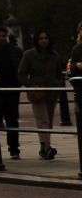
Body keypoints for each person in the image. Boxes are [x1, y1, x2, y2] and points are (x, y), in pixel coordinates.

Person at [19, 31, 63, 161]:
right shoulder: (29, 55)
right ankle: (47, 147)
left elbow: (59, 73)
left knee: (48, 120)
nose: (44, 41)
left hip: (52, 91)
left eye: (46, 38)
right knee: (42, 120)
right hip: (37, 91)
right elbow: (21, 73)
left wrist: (58, 85)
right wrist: (30, 85)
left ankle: (44, 147)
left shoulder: (55, 55)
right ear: (36, 40)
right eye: (41, 38)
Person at [0, 26, 23, 159]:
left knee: (12, 119)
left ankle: (14, 148)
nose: (1, 38)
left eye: (3, 36)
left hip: (12, 89)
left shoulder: (15, 51)